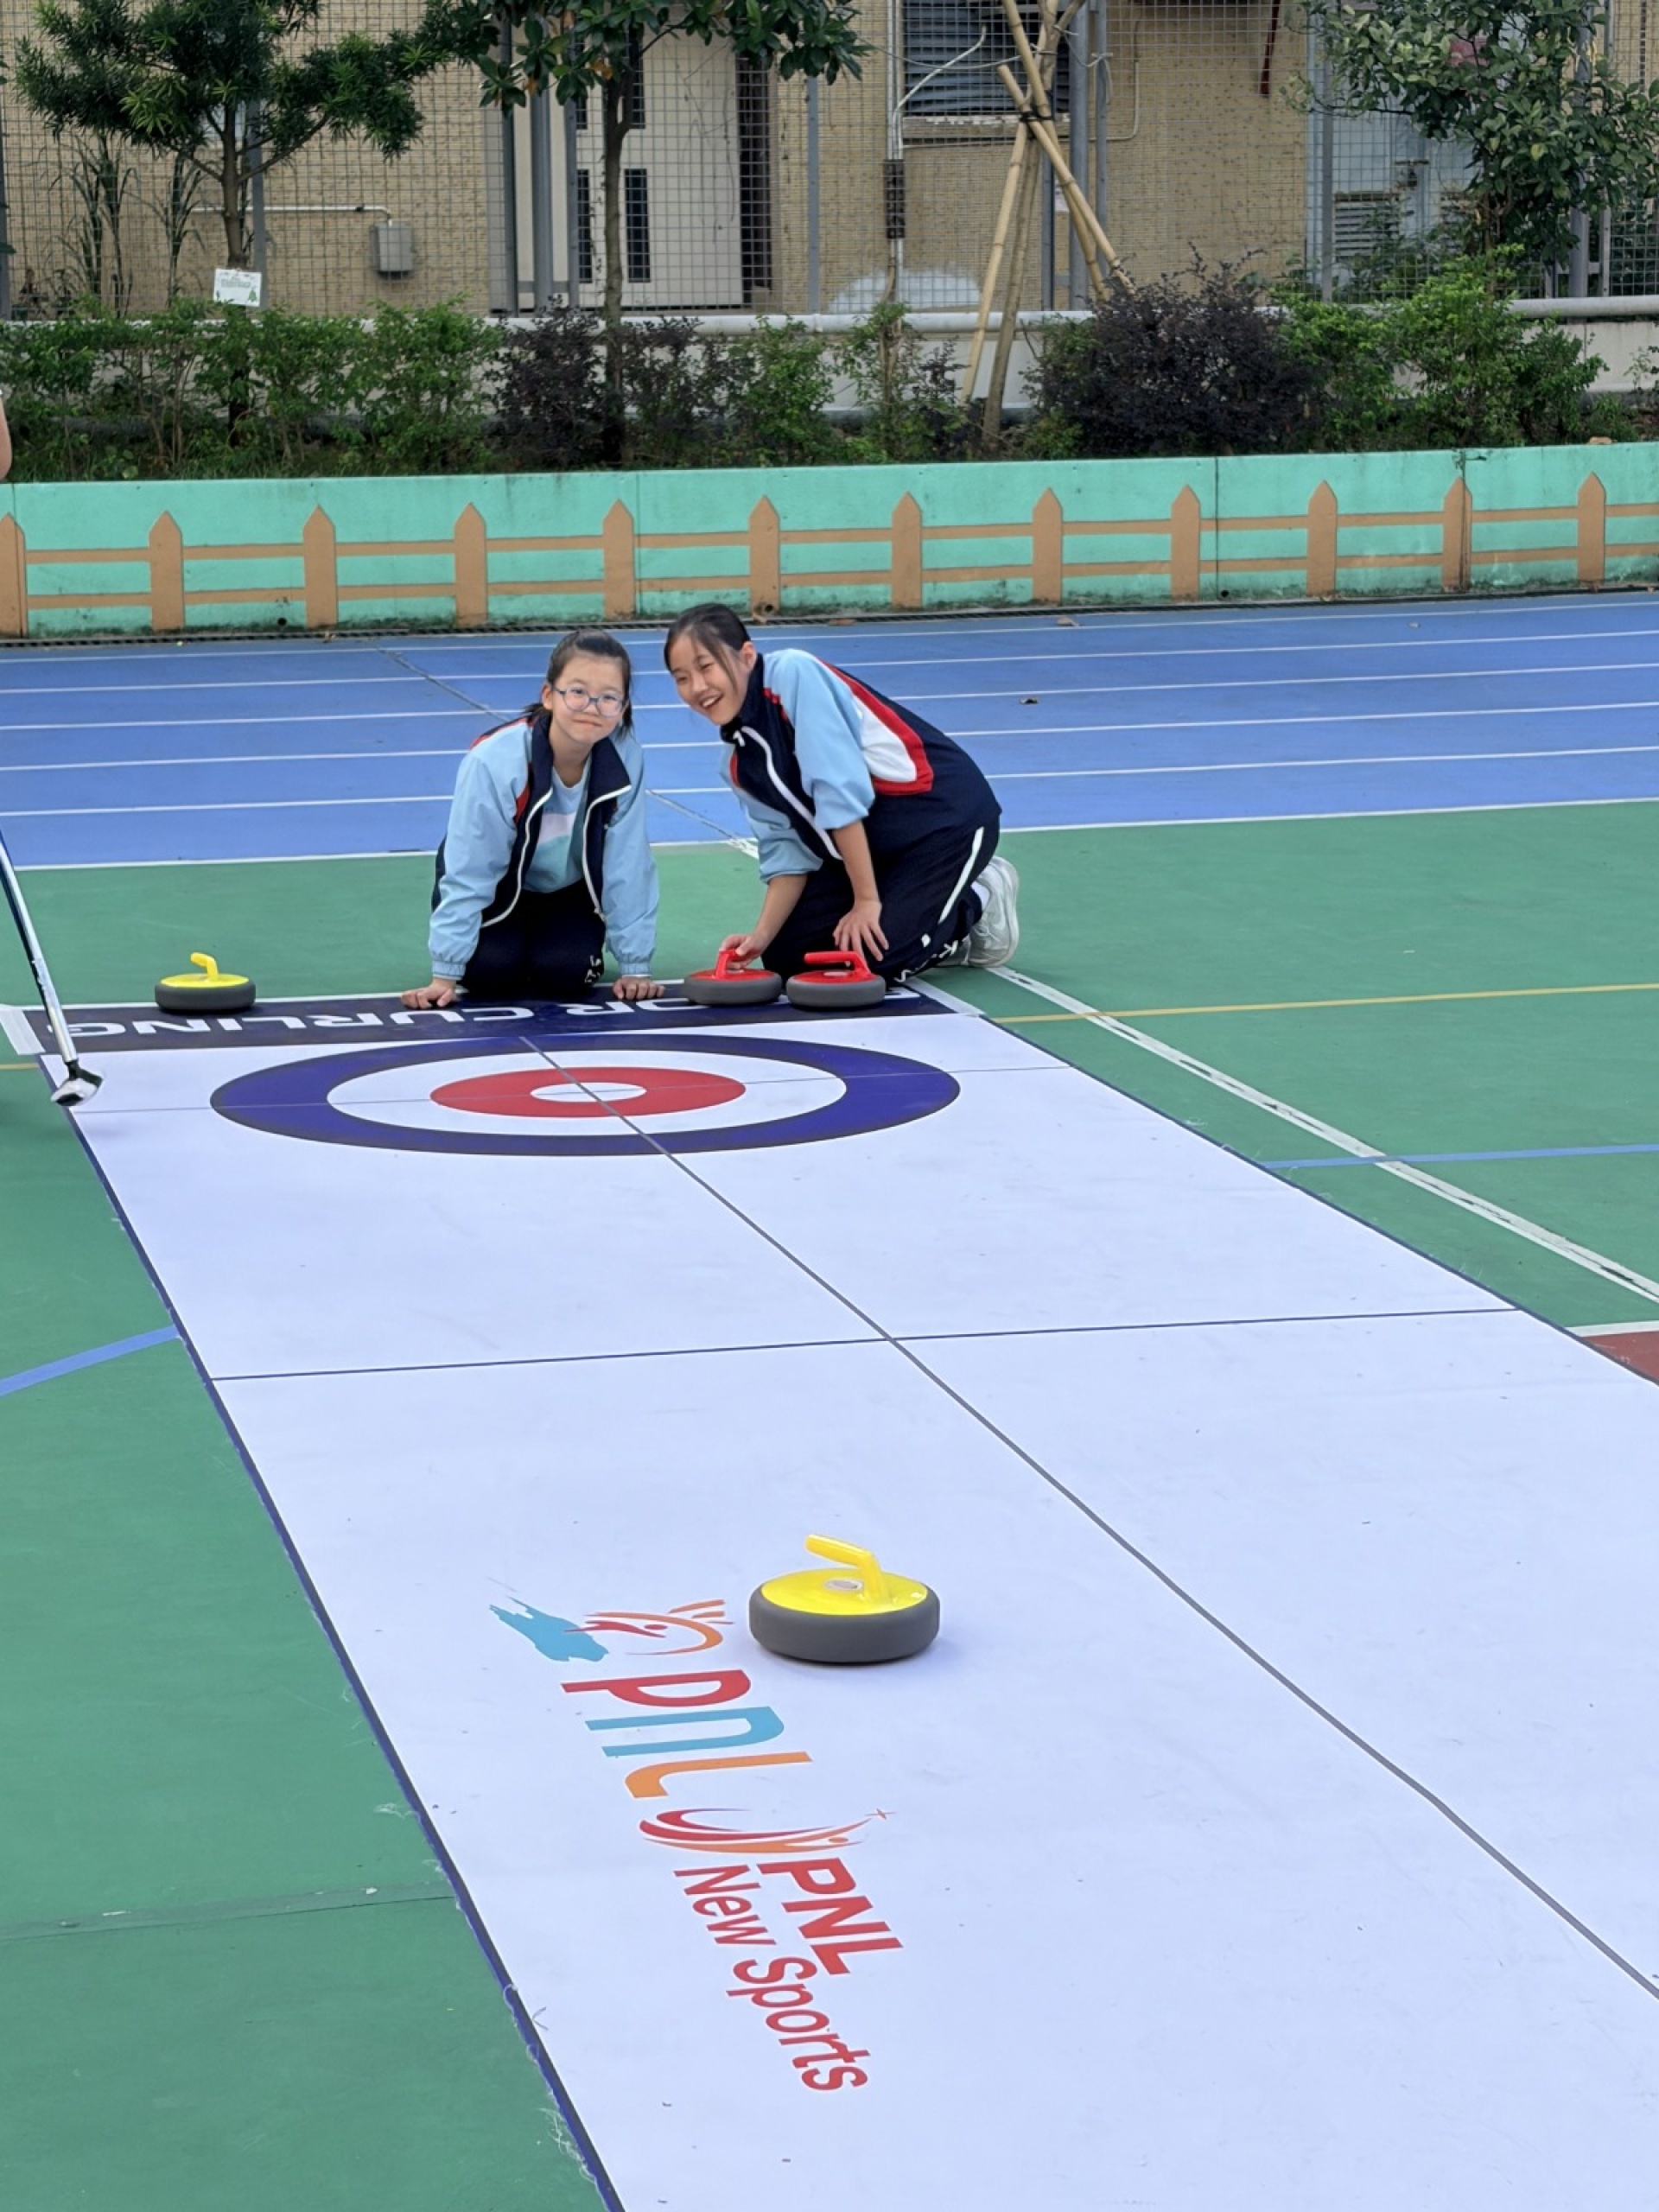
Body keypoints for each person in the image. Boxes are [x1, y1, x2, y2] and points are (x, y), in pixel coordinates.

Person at [663, 604, 1018, 982]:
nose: (697, 688)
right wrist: (761, 937)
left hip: (944, 825)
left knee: (875, 959)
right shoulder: (736, 763)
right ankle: (926, 924)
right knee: (788, 958)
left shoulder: (794, 674)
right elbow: (787, 852)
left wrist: (866, 901)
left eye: (706, 667)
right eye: (682, 678)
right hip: (876, 850)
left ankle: (977, 896)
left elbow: (837, 793)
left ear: (746, 656)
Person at [403, 631, 661, 1007]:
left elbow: (628, 861)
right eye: (577, 692)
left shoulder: (626, 757)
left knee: (568, 975)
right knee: (490, 973)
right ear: (548, 695)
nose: (592, 707)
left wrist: (635, 966)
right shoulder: (495, 760)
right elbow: (471, 866)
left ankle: (547, 944)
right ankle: (503, 945)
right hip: (500, 885)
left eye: (609, 697)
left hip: (566, 889)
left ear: (622, 708)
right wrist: (445, 972)